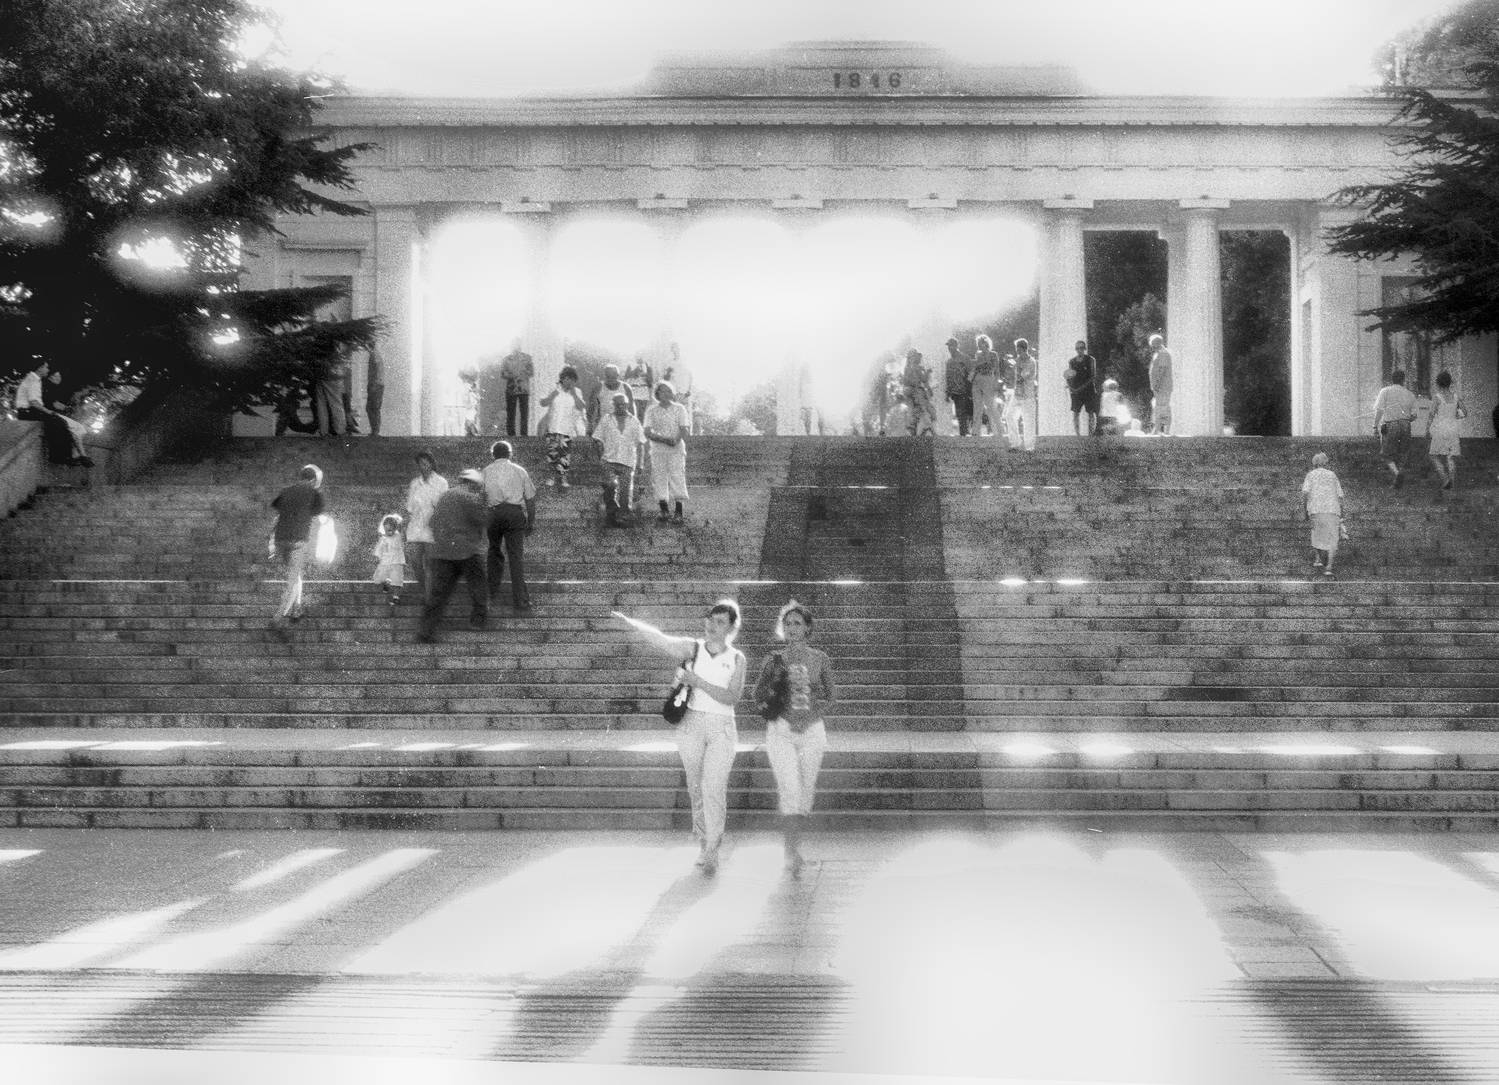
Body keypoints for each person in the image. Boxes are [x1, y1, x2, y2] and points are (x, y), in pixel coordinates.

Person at [613, 600, 747, 876]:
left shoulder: (737, 658)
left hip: (721, 727)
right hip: (691, 724)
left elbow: (732, 696)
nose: (712, 626)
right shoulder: (693, 647)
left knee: (714, 787)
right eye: (710, 619)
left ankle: (713, 847)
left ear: (731, 628)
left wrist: (698, 682)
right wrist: (632, 624)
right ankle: (703, 842)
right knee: (695, 787)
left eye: (720, 622)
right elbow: (662, 640)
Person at [754, 600, 836, 877]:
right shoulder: (773, 659)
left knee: (805, 792)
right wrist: (778, 709)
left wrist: (811, 717)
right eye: (787, 623)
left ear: (807, 628)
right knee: (790, 789)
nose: (791, 628)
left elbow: (832, 696)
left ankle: (795, 848)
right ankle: (790, 853)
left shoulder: (820, 658)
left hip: (812, 732)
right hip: (781, 731)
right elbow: (757, 694)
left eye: (797, 623)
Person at [418, 468, 489, 643]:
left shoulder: (445, 496)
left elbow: (433, 522)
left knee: (438, 594)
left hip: (443, 552)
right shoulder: (471, 497)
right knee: (478, 586)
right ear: (474, 484)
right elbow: (483, 520)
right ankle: (478, 620)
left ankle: (426, 631)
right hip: (468, 551)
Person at [481, 440, 537, 612]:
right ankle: (521, 600)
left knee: (494, 551)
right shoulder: (520, 471)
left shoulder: (486, 471)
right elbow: (530, 499)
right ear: (510, 454)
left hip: (494, 513)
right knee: (515, 557)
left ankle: (491, 593)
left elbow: (481, 497)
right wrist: (530, 521)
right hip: (514, 514)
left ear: (493, 455)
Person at [269, 464, 325, 633]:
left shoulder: (286, 490)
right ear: (313, 480)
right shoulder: (314, 492)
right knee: (293, 579)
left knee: (296, 574)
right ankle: (278, 617)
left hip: (281, 539)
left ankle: (297, 608)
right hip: (298, 540)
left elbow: (277, 507)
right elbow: (317, 511)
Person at [13, 361, 93, 467]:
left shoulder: (34, 379)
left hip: (28, 411)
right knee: (59, 423)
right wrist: (49, 412)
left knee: (59, 423)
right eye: (46, 367)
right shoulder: (33, 380)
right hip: (29, 411)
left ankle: (66, 456)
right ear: (40, 368)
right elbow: (34, 402)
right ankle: (61, 456)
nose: (48, 370)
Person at [592, 392, 646, 528]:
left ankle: (623, 517)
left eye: (623, 404)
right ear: (614, 405)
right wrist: (600, 457)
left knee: (626, 492)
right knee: (610, 484)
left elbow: (641, 443)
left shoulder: (634, 421)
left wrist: (640, 463)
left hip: (628, 460)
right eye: (618, 404)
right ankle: (612, 509)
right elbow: (597, 438)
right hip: (609, 459)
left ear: (627, 405)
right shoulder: (606, 419)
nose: (621, 406)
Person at [644, 380, 690, 523]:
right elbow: (647, 431)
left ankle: (678, 511)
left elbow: (684, 429)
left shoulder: (680, 409)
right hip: (658, 450)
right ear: (657, 393)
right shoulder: (651, 410)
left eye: (669, 391)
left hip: (676, 449)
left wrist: (675, 440)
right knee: (659, 478)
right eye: (663, 391)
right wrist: (663, 439)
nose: (666, 394)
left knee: (677, 477)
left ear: (673, 393)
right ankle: (664, 510)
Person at [537, 365, 587, 490]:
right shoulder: (554, 389)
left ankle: (563, 478)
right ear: (562, 379)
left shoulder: (577, 392)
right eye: (567, 379)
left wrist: (574, 394)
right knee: (552, 453)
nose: (569, 382)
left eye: (572, 380)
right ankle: (551, 477)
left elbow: (581, 406)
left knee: (564, 455)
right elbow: (543, 403)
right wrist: (553, 395)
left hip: (567, 428)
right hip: (553, 427)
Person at [1300, 452, 1345, 577]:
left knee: (1317, 535)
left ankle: (1319, 559)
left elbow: (1305, 493)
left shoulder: (1310, 475)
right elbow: (1340, 495)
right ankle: (1329, 567)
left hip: (1316, 509)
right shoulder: (1332, 475)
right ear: (1325, 462)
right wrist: (1342, 513)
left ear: (1314, 463)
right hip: (1332, 510)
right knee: (1332, 538)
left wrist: (1305, 510)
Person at [1371, 369, 1418, 487]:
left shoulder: (1385, 391)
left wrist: (1375, 426)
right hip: (1405, 425)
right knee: (1403, 452)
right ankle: (1400, 474)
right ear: (1403, 380)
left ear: (1392, 380)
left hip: (1390, 424)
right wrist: (1405, 419)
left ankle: (1397, 474)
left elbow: (1379, 410)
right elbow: (1414, 415)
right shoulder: (1410, 394)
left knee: (1386, 454)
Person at [1427, 369, 1464, 491]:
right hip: (1453, 428)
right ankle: (1452, 482)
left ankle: (1445, 478)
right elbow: (1465, 412)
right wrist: (1457, 415)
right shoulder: (1456, 396)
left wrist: (1427, 429)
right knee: (1451, 456)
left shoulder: (1437, 397)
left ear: (1438, 383)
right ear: (1449, 383)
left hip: (1441, 428)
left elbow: (1431, 415)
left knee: (1433, 455)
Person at [1006, 338, 1038, 451]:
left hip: (1028, 395)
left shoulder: (1031, 362)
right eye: (1017, 349)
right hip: (1017, 394)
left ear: (1024, 349)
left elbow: (1023, 376)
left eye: (1018, 349)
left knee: (1028, 421)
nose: (1017, 351)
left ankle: (1029, 447)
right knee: (1009, 416)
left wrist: (1016, 367)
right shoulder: (1017, 360)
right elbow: (1014, 378)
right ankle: (1015, 443)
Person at [498, 341, 534, 437]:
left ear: (520, 346)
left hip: (523, 389)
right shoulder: (506, 359)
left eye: (517, 345)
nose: (516, 347)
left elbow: (531, 372)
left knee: (524, 414)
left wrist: (523, 373)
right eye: (514, 345)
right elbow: (502, 374)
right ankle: (511, 435)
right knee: (511, 413)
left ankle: (524, 435)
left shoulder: (527, 358)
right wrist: (512, 375)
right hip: (511, 389)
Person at [1066, 340, 1099, 437]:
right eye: (1077, 348)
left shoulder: (1090, 360)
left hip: (1088, 390)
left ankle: (1091, 434)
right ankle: (1078, 435)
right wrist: (1070, 387)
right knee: (1075, 412)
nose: (1079, 350)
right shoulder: (1072, 361)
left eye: (1081, 348)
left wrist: (1081, 388)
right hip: (1076, 391)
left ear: (1084, 348)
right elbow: (1069, 375)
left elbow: (1093, 376)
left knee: (1091, 412)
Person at [969, 335, 1001, 437]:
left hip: (988, 380)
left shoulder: (993, 354)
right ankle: (975, 432)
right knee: (977, 407)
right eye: (978, 343)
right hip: (977, 380)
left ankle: (998, 431)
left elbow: (997, 370)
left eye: (980, 343)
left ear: (986, 343)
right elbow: (975, 368)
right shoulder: (978, 354)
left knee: (991, 406)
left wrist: (996, 383)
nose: (978, 345)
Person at [371, 513, 405, 606]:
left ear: (395, 529)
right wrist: (377, 557)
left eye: (390, 530)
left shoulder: (398, 536)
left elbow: (401, 530)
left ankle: (396, 597)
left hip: (397, 562)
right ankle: (386, 582)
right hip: (385, 562)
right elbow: (379, 550)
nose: (388, 532)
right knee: (378, 578)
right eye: (386, 530)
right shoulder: (383, 539)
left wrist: (398, 522)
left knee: (397, 580)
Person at [586, 364, 631, 433]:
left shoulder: (626, 387)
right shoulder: (598, 387)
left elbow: (631, 408)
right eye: (608, 376)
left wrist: (631, 424)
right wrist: (590, 425)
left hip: (622, 424)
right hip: (603, 424)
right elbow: (591, 407)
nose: (610, 379)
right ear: (605, 376)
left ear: (617, 375)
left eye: (613, 376)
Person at [941, 337, 972, 436]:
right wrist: (947, 392)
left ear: (956, 346)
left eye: (951, 345)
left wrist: (969, 388)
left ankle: (965, 433)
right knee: (960, 413)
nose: (950, 348)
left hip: (965, 390)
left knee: (965, 412)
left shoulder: (964, 358)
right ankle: (964, 433)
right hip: (955, 391)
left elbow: (971, 373)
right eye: (948, 346)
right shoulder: (949, 362)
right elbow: (948, 377)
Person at [660, 342, 693, 435]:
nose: (675, 350)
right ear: (671, 350)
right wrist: (668, 372)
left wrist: (689, 389)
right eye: (673, 348)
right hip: (673, 393)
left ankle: (688, 436)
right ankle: (674, 435)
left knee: (686, 415)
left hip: (684, 392)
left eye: (676, 348)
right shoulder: (669, 362)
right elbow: (665, 379)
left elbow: (690, 376)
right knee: (674, 414)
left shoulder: (686, 360)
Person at [1148, 333, 1173, 434]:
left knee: (1162, 407)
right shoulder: (1159, 353)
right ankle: (1158, 429)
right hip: (1159, 387)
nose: (1152, 347)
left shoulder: (1163, 353)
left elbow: (1162, 370)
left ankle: (1161, 430)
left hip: (1163, 386)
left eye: (1152, 344)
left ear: (1157, 343)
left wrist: (1157, 384)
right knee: (1159, 407)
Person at [623, 356, 654, 422]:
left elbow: (650, 382)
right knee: (634, 412)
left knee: (642, 414)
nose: (640, 358)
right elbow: (626, 377)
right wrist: (634, 372)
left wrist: (646, 374)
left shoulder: (647, 365)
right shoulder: (630, 365)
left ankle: (641, 427)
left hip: (644, 392)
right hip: (634, 390)